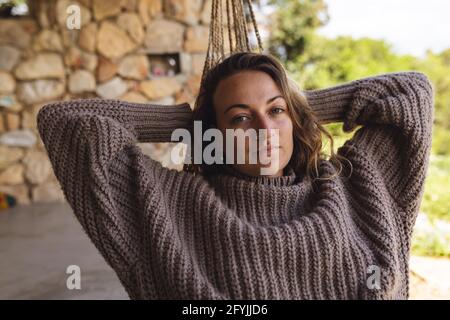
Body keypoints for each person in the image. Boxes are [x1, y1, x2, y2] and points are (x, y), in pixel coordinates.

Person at [37, 52, 434, 299]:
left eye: (276, 112)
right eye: (241, 117)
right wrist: (189, 122)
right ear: (215, 135)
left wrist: (300, 105)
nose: (264, 130)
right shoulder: (170, 209)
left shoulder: (355, 186)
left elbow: (412, 92)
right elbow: (67, 123)